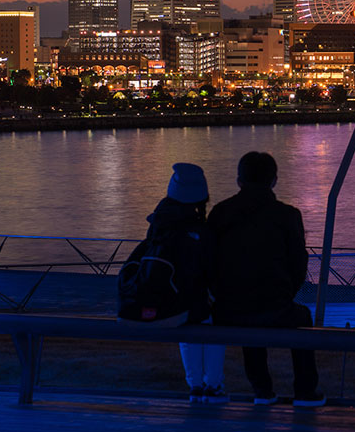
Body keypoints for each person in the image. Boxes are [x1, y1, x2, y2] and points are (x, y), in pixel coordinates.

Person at [208, 151, 324, 408]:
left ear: (239, 180)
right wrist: (284, 294)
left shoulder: (220, 212)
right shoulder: (288, 215)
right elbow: (298, 265)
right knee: (301, 318)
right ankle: (305, 391)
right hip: (274, 304)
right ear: (274, 180)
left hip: (229, 309)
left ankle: (262, 389)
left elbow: (210, 262)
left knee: (249, 312)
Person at [119, 163, 227, 404]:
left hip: (165, 302)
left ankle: (196, 386)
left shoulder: (159, 222)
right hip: (191, 305)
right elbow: (210, 270)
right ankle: (213, 386)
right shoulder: (201, 230)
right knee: (213, 323)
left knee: (187, 332)